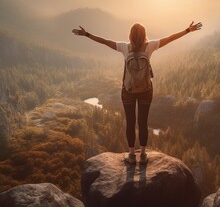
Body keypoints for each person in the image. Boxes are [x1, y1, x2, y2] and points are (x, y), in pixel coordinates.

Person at [72, 21, 202, 164]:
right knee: (143, 122)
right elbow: (170, 38)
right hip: (146, 90)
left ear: (130, 35)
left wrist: (87, 34)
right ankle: (144, 154)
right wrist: (187, 30)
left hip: (128, 91)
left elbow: (104, 41)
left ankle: (132, 154)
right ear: (144, 35)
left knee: (130, 122)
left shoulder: (124, 47)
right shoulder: (150, 46)